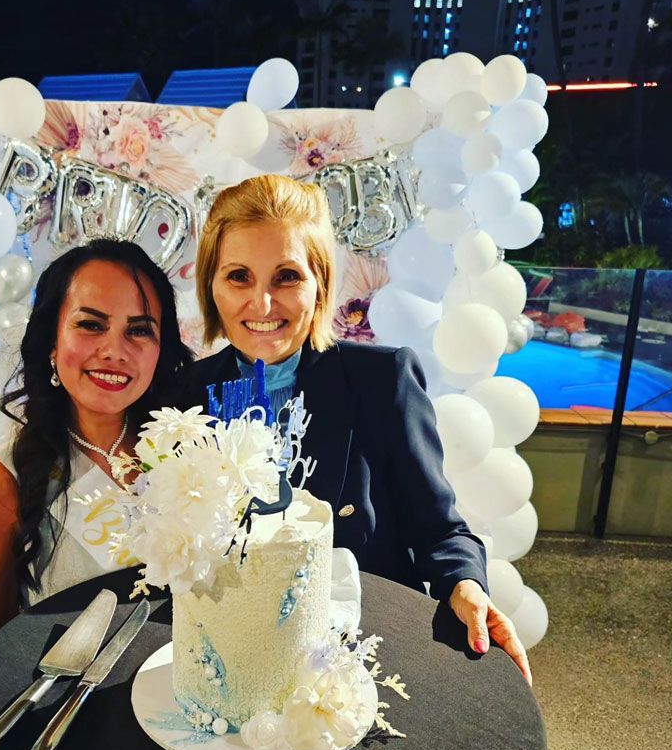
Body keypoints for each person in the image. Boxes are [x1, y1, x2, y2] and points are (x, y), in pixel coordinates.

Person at [185, 174, 532, 683]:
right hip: (227, 659)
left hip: (362, 656)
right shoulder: (184, 395)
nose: (262, 304)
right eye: (238, 276)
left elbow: (439, 530)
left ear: (320, 284)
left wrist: (465, 585)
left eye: (286, 276)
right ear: (210, 285)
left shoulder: (382, 380)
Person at [0, 239, 191, 673]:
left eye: (139, 330)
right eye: (91, 325)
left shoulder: (184, 449)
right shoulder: (0, 481)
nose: (114, 351)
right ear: (51, 340)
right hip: (69, 707)